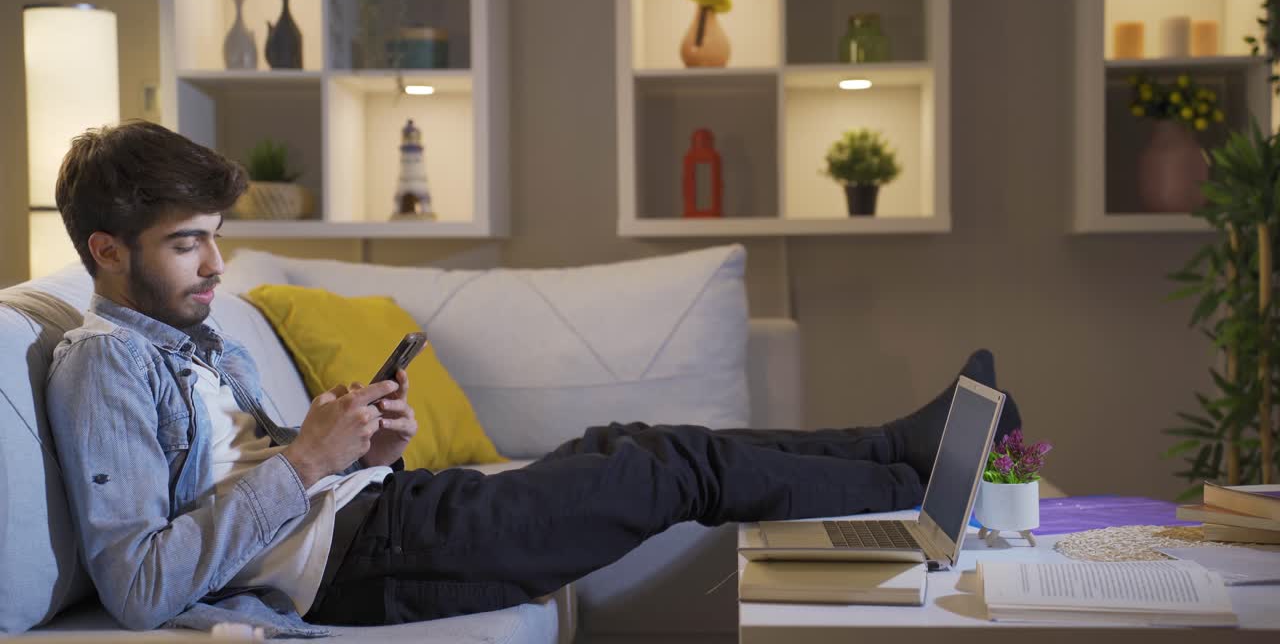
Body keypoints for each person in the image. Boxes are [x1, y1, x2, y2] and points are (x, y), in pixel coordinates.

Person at [45, 121, 1022, 636]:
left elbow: (251, 474)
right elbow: (138, 582)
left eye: (216, 240)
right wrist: (305, 463)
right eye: (186, 245)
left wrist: (358, 450)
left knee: (634, 445)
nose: (215, 268)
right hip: (357, 567)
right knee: (658, 470)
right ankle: (910, 477)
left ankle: (898, 453)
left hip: (380, 514)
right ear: (108, 251)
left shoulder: (187, 335)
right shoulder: (103, 366)